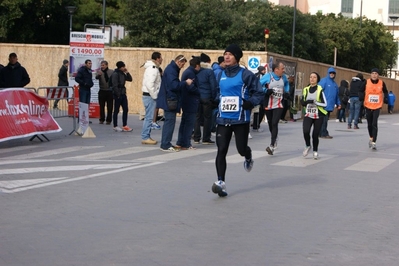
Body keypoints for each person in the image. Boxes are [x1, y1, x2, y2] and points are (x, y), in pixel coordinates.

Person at [211, 44, 264, 197]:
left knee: (241, 149)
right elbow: (218, 93)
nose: (226, 57)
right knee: (221, 150)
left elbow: (259, 93)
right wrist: (213, 101)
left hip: (240, 119)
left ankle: (248, 156)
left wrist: (250, 103)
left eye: (230, 54)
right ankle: (221, 182)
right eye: (225, 54)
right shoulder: (220, 75)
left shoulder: (246, 75)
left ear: (237, 57)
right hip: (223, 119)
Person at [156, 55, 193, 152]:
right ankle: (165, 144)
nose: (182, 66)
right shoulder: (172, 70)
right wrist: (185, 82)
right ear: (178, 61)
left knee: (169, 122)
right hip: (170, 99)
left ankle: (166, 143)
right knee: (170, 122)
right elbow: (174, 85)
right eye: (182, 64)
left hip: (170, 98)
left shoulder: (171, 68)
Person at [260, 61, 290, 155]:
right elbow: (257, 85)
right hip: (268, 103)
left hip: (279, 104)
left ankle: (272, 145)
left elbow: (286, 84)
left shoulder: (283, 77)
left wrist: (287, 92)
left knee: (274, 123)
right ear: (276, 70)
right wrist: (266, 90)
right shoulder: (268, 76)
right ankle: (274, 138)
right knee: (270, 123)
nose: (284, 70)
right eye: (282, 69)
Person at [359, 68, 388, 150]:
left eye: (376, 73)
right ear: (370, 74)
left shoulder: (382, 83)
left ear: (378, 75)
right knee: (369, 124)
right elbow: (360, 90)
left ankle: (374, 142)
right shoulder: (366, 82)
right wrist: (361, 96)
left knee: (374, 123)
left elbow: (385, 91)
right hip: (368, 105)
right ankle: (371, 137)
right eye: (373, 73)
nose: (374, 75)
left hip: (377, 106)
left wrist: (386, 98)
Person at [300, 72, 328, 160]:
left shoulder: (320, 89)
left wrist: (316, 103)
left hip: (318, 115)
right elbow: (302, 102)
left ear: (317, 79)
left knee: (315, 135)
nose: (312, 79)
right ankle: (308, 145)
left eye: (314, 77)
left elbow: (325, 104)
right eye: (311, 77)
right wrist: (307, 102)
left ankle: (315, 151)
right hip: (308, 113)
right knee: (305, 131)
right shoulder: (306, 89)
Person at [176, 57, 201, 150]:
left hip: (186, 100)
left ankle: (180, 142)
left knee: (184, 122)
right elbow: (190, 87)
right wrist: (199, 91)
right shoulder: (191, 73)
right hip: (191, 101)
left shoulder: (187, 72)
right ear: (197, 66)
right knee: (189, 123)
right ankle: (186, 143)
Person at [193, 53, 217, 145]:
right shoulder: (209, 71)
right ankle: (206, 138)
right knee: (207, 118)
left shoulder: (196, 71)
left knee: (197, 117)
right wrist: (213, 97)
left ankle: (196, 137)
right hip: (207, 97)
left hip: (197, 96)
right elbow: (213, 85)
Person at [141, 52, 163, 145]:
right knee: (149, 118)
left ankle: (146, 136)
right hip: (150, 95)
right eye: (161, 58)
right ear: (157, 59)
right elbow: (150, 84)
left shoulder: (152, 68)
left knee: (148, 117)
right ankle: (145, 136)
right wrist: (155, 96)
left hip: (149, 95)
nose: (162, 60)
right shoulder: (153, 69)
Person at [318, 67, 340, 139]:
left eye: (333, 73)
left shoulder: (335, 84)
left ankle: (321, 133)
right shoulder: (324, 81)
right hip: (323, 104)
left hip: (330, 105)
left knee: (325, 120)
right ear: (328, 73)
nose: (332, 74)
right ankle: (323, 133)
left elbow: (336, 95)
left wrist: (338, 103)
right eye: (330, 73)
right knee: (324, 120)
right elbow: (318, 91)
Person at [111, 61, 133, 132]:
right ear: (120, 67)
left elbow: (130, 79)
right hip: (118, 94)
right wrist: (118, 94)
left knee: (125, 109)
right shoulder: (115, 74)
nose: (124, 68)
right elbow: (114, 85)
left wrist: (127, 72)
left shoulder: (123, 73)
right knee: (116, 110)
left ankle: (124, 125)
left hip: (123, 93)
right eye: (123, 67)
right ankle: (115, 125)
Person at [95, 60, 114, 124]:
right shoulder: (99, 72)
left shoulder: (111, 72)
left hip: (109, 91)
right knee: (101, 106)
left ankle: (109, 120)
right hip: (102, 91)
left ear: (106, 65)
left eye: (103, 65)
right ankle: (102, 119)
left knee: (110, 106)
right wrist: (98, 75)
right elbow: (96, 77)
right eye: (101, 65)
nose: (102, 66)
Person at [252, 65, 267, 131]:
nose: (265, 71)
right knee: (260, 111)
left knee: (255, 111)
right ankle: (257, 125)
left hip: (254, 95)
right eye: (264, 70)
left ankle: (255, 124)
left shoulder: (254, 75)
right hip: (260, 95)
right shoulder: (262, 76)